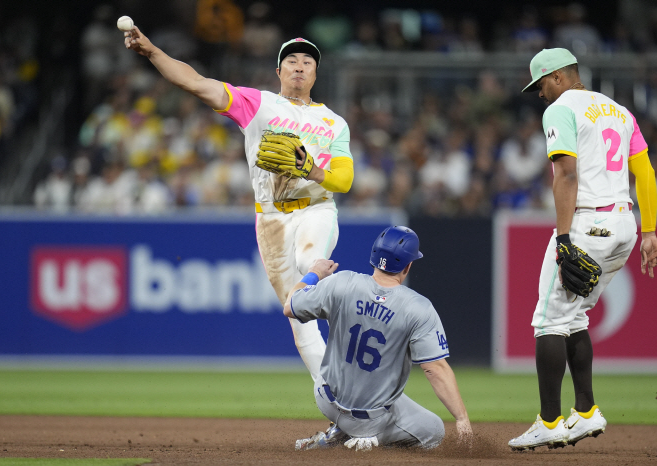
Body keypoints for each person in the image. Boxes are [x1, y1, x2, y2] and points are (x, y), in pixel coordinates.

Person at [124, 28, 354, 380]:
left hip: (315, 208)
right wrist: (154, 51)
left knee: (313, 264)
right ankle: (339, 405)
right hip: (272, 220)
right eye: (291, 60)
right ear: (278, 72)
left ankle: (356, 316)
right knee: (298, 321)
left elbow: (345, 181)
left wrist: (311, 169)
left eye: (307, 61)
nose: (299, 66)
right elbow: (197, 83)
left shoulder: (334, 123)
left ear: (315, 73)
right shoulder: (259, 104)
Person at [509, 48, 657, 451]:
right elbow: (644, 171)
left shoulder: (561, 109)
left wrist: (562, 237)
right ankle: (587, 411)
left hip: (587, 221)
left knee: (548, 320)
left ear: (558, 77)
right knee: (576, 315)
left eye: (541, 84)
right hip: (624, 223)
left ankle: (550, 421)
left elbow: (567, 173)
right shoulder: (620, 111)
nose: (540, 93)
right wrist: (650, 231)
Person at [283, 226, 472, 450]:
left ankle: (339, 432)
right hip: (369, 420)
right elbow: (435, 369)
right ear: (408, 265)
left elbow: (290, 306)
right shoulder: (418, 308)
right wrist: (461, 418)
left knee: (392, 400)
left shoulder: (341, 283)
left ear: (373, 256)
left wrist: (314, 273)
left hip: (326, 399)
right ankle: (366, 442)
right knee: (434, 431)